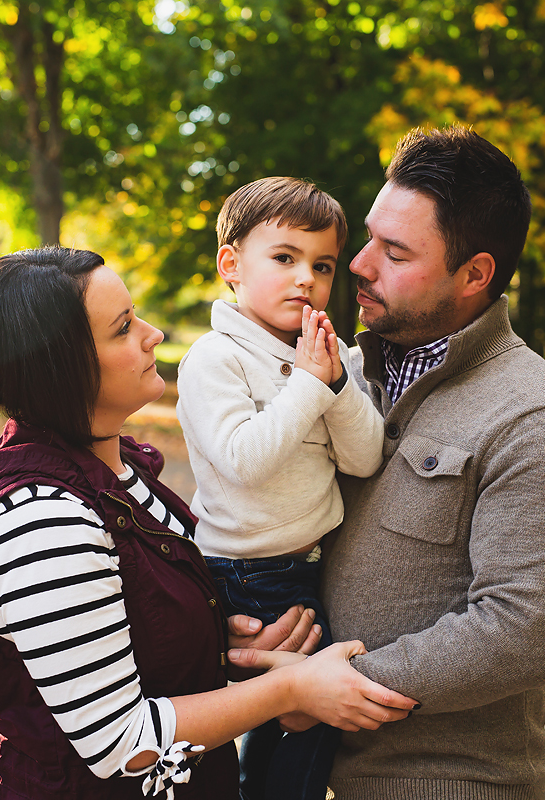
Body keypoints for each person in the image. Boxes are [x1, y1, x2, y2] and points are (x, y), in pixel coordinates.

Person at [0, 246, 415, 800]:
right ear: (59, 365)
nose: (153, 334)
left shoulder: (119, 471)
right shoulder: (41, 520)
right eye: (123, 329)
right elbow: (123, 743)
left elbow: (139, 632)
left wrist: (225, 647)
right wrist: (291, 690)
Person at [322, 127, 545, 799]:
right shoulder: (350, 377)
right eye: (369, 237)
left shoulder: (537, 420)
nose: (359, 263)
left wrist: (332, 689)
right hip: (313, 771)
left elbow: (521, 633)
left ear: (475, 274)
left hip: (444, 783)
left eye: (395, 252)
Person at [175, 177, 384, 800]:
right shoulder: (215, 359)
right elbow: (245, 462)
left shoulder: (327, 355)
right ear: (231, 265)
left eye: (321, 266)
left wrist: (335, 382)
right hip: (247, 571)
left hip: (305, 565)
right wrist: (310, 385)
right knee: (311, 719)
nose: (305, 279)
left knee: (286, 729)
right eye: (285, 258)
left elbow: (366, 456)